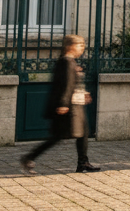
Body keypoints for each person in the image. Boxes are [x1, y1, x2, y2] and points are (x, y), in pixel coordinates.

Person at [20, 35, 100, 174]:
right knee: (57, 136)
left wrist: (83, 92)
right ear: (70, 46)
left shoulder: (70, 62)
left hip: (75, 103)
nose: (82, 48)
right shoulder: (66, 62)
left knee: (84, 133)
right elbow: (65, 84)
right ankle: (28, 158)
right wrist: (63, 104)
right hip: (67, 106)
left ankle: (83, 163)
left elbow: (72, 83)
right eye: (79, 45)